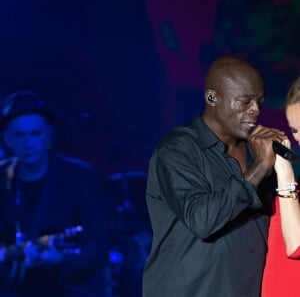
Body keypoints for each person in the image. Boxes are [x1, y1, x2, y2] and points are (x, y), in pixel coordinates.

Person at [142, 56, 288, 297]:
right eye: (245, 101)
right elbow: (203, 220)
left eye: (260, 102)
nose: (256, 110)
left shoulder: (258, 151)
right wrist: (260, 167)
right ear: (212, 98)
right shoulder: (177, 149)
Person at [0, 90, 107, 297]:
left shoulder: (80, 177)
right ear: (7, 139)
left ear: (48, 135)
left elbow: (96, 246)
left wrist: (60, 259)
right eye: (20, 135)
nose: (28, 144)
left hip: (67, 290)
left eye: (35, 134)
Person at [262, 77, 300, 296]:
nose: (299, 139)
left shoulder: (289, 185)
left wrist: (285, 173)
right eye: (295, 130)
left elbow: (296, 245)